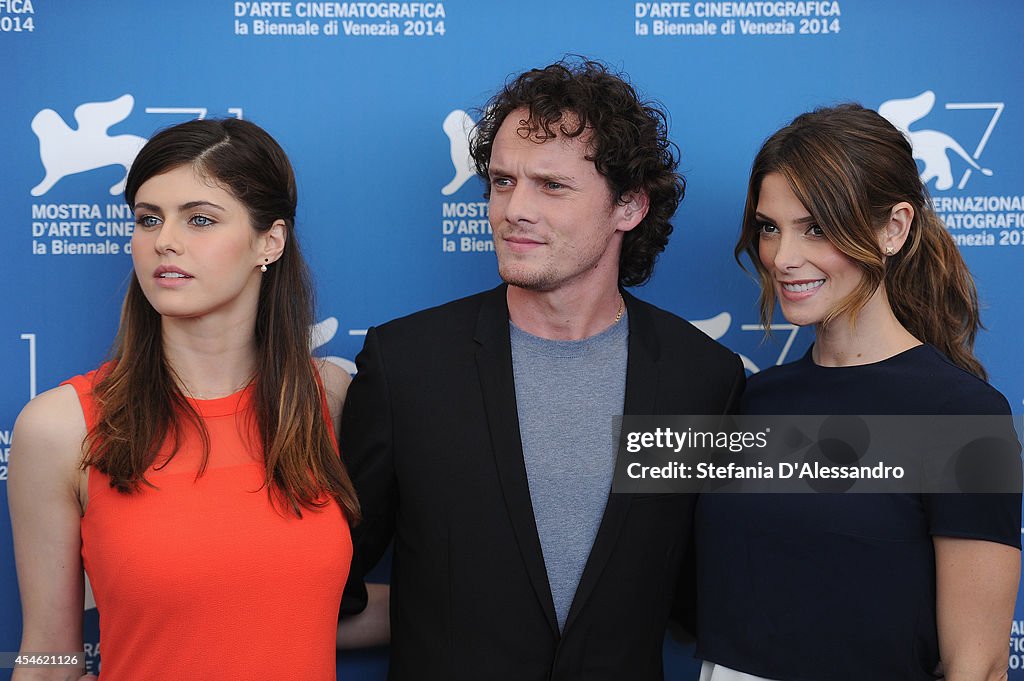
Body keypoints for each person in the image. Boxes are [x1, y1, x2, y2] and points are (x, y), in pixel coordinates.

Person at [338, 57, 745, 680]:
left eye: (551, 186)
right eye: (502, 181)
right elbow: (323, 578)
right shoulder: (407, 367)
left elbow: (710, 593)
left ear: (628, 207)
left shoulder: (701, 378)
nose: (512, 210)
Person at [9, 118, 385, 681]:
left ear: (270, 241)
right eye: (147, 218)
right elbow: (48, 653)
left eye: (200, 219)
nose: (164, 240)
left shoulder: (328, 400)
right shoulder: (61, 426)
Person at [695, 104, 1021, 681]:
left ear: (893, 228)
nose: (784, 258)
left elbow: (980, 663)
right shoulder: (753, 399)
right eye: (771, 227)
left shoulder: (964, 415)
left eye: (816, 226)